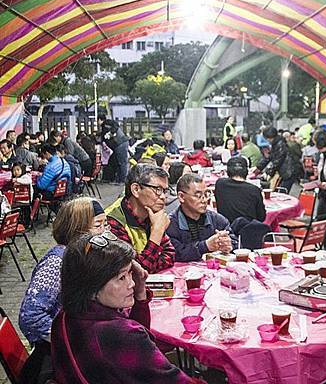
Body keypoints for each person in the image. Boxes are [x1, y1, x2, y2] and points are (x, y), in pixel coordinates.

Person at [52, 234, 203, 383]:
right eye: (121, 278)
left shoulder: (64, 316)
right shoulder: (119, 334)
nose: (131, 283)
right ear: (92, 286)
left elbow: (138, 341)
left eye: (131, 273)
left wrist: (140, 293)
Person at [18, 198, 106, 384]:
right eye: (98, 225)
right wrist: (72, 340)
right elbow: (31, 317)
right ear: (77, 227)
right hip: (58, 359)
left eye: (105, 224)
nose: (104, 232)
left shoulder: (85, 255)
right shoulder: (57, 262)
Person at [106, 163, 175, 273]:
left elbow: (170, 255)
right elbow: (133, 273)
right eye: (157, 189)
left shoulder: (150, 213)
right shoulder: (112, 222)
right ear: (136, 189)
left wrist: (150, 264)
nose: (163, 197)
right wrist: (156, 233)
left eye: (165, 191)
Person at [167, 173, 237, 261]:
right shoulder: (170, 224)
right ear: (181, 197)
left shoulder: (218, 220)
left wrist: (229, 245)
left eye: (206, 194)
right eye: (198, 195)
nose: (204, 200)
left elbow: (236, 244)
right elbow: (174, 254)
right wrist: (205, 246)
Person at [215, 157, 265, 223]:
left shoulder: (220, 184)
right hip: (248, 231)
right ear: (246, 171)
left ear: (228, 171)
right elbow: (261, 217)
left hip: (226, 229)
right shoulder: (254, 190)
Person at [256, 126, 302, 193]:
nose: (267, 140)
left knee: (283, 192)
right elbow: (270, 157)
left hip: (289, 172)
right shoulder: (277, 143)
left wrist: (267, 172)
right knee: (281, 190)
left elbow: (277, 160)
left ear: (270, 137)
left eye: (267, 138)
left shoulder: (280, 144)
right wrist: (259, 167)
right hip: (287, 171)